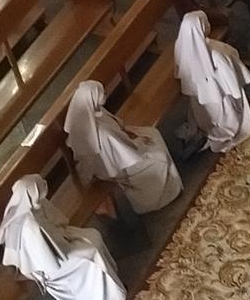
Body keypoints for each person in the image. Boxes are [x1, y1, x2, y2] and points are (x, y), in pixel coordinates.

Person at [0, 174, 126, 300]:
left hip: (57, 244)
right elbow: (43, 256)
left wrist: (63, 236)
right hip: (50, 262)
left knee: (93, 235)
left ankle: (109, 281)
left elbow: (57, 222)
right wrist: (64, 241)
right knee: (90, 253)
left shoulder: (33, 204)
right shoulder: (27, 225)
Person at [63, 81, 183, 214]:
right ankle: (159, 196)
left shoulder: (91, 111)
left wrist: (129, 133)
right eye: (102, 93)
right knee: (160, 157)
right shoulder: (102, 134)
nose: (105, 94)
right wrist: (138, 141)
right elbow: (122, 153)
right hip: (120, 167)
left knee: (152, 133)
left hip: (119, 153)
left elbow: (117, 129)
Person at [174, 10, 250, 153]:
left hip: (201, 97)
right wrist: (236, 91)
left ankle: (203, 133)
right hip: (221, 94)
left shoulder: (181, 48)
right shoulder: (216, 53)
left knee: (205, 113)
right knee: (227, 115)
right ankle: (219, 134)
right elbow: (229, 75)